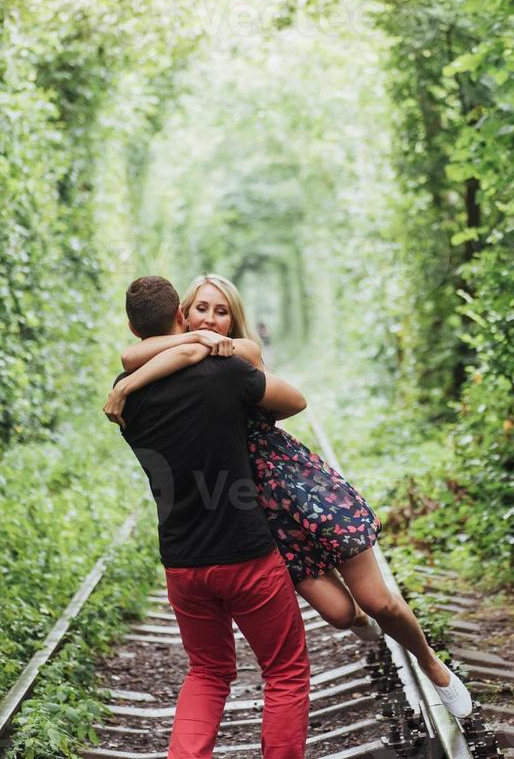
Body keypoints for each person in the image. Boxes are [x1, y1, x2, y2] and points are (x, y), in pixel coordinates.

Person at [104, 274, 472, 719]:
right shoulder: (179, 355)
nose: (212, 319)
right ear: (182, 314)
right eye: (202, 309)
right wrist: (168, 355)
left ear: (234, 318)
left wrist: (128, 384)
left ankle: (431, 664)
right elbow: (134, 353)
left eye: (222, 311)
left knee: (378, 600)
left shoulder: (243, 353)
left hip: (295, 483)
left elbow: (160, 357)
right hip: (254, 506)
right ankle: (366, 628)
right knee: (340, 614)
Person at [105, 275, 311, 759]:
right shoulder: (225, 370)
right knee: (284, 671)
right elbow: (295, 401)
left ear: (135, 331)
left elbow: (146, 361)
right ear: (181, 314)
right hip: (247, 555)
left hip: (182, 561)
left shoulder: (124, 394)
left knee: (208, 672)